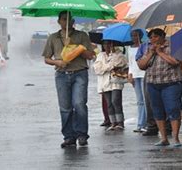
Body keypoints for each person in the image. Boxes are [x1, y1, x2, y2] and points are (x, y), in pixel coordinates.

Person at [42, 11, 95, 148]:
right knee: (65, 107)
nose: (67, 22)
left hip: (79, 73)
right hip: (61, 75)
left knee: (79, 104)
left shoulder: (82, 36)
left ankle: (82, 134)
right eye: (64, 19)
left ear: (73, 22)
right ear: (59, 21)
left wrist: (73, 45)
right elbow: (47, 58)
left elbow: (90, 55)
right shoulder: (53, 38)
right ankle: (69, 136)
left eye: (69, 20)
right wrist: (57, 62)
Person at [138, 28, 182, 147]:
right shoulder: (148, 49)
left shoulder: (172, 46)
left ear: (163, 36)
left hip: (171, 83)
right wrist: (152, 53)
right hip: (153, 83)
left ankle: (176, 138)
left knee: (173, 109)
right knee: (157, 111)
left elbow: (175, 62)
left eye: (156, 37)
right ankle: (163, 138)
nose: (153, 39)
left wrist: (160, 53)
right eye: (151, 37)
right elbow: (142, 65)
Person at [93, 40, 128, 131]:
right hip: (104, 83)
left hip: (116, 81)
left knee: (115, 101)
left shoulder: (119, 55)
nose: (107, 46)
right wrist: (110, 66)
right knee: (109, 103)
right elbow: (97, 69)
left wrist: (107, 66)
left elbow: (120, 63)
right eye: (105, 44)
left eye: (109, 44)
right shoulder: (100, 55)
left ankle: (120, 122)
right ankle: (113, 122)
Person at [128, 29, 147, 133]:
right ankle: (140, 124)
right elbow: (130, 63)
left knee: (145, 100)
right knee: (139, 101)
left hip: (143, 74)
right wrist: (130, 74)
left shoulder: (144, 47)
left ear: (140, 36)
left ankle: (146, 123)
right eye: (132, 36)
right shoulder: (130, 48)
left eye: (136, 35)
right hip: (135, 75)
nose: (134, 38)